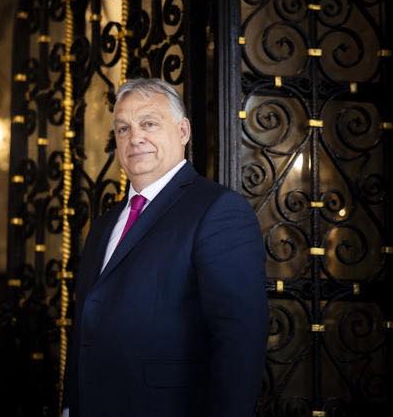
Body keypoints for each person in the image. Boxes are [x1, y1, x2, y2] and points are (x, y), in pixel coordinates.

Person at [65, 78, 268, 417]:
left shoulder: (218, 210)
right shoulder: (103, 224)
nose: (135, 138)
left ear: (183, 131)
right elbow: (87, 324)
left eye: (149, 124)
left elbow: (239, 339)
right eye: (123, 129)